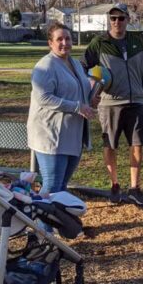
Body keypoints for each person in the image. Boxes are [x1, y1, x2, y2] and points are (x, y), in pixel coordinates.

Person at [81, 5, 143, 207]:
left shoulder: (136, 42)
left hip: (136, 101)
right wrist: (93, 88)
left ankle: (134, 188)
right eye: (113, 18)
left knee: (137, 145)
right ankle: (115, 185)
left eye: (121, 18)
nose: (116, 22)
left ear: (128, 19)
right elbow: (83, 67)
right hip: (110, 103)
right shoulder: (99, 43)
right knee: (110, 144)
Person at [27, 22, 94, 226]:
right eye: (59, 39)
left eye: (67, 39)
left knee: (61, 187)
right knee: (52, 186)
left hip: (71, 135)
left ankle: (54, 228)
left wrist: (90, 99)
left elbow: (80, 91)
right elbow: (44, 98)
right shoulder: (45, 66)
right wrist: (77, 107)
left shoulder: (74, 64)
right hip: (50, 136)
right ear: (50, 43)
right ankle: (41, 232)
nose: (64, 43)